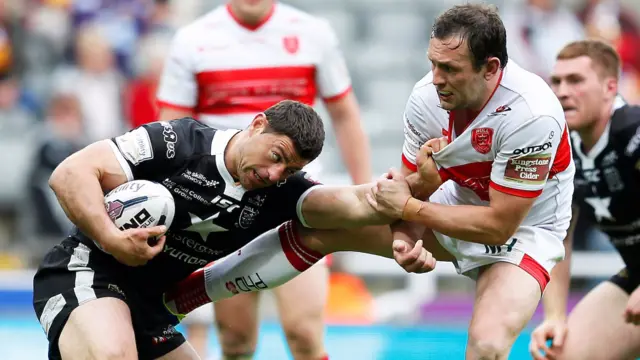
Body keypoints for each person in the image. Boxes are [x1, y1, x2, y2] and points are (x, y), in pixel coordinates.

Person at [163, 4, 576, 359]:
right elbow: (410, 190)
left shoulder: (532, 114)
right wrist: (403, 236)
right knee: (315, 229)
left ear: (491, 69)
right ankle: (179, 299)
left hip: (523, 233)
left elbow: (498, 224)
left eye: (449, 68)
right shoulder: (426, 98)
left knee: (486, 345)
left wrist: (410, 211)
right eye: (432, 63)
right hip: (452, 204)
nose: (435, 78)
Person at [32, 100, 394, 360]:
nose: (274, 174)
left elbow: (357, 205)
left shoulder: (281, 190)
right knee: (113, 353)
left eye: (288, 169)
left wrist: (410, 202)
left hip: (150, 308)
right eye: (276, 156)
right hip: (86, 272)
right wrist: (112, 239)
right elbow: (69, 174)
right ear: (256, 125)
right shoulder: (179, 141)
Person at [155, 0, 371, 358]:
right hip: (222, 207)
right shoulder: (193, 40)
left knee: (304, 332)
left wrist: (362, 196)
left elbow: (345, 115)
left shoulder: (312, 33)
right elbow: (169, 133)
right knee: (236, 339)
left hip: (296, 204)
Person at [528, 40, 640, 360]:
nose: (562, 91)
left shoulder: (634, 131)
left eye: (575, 80)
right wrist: (554, 317)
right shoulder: (561, 151)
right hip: (636, 274)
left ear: (610, 87)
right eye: (557, 81)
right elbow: (557, 239)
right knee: (565, 353)